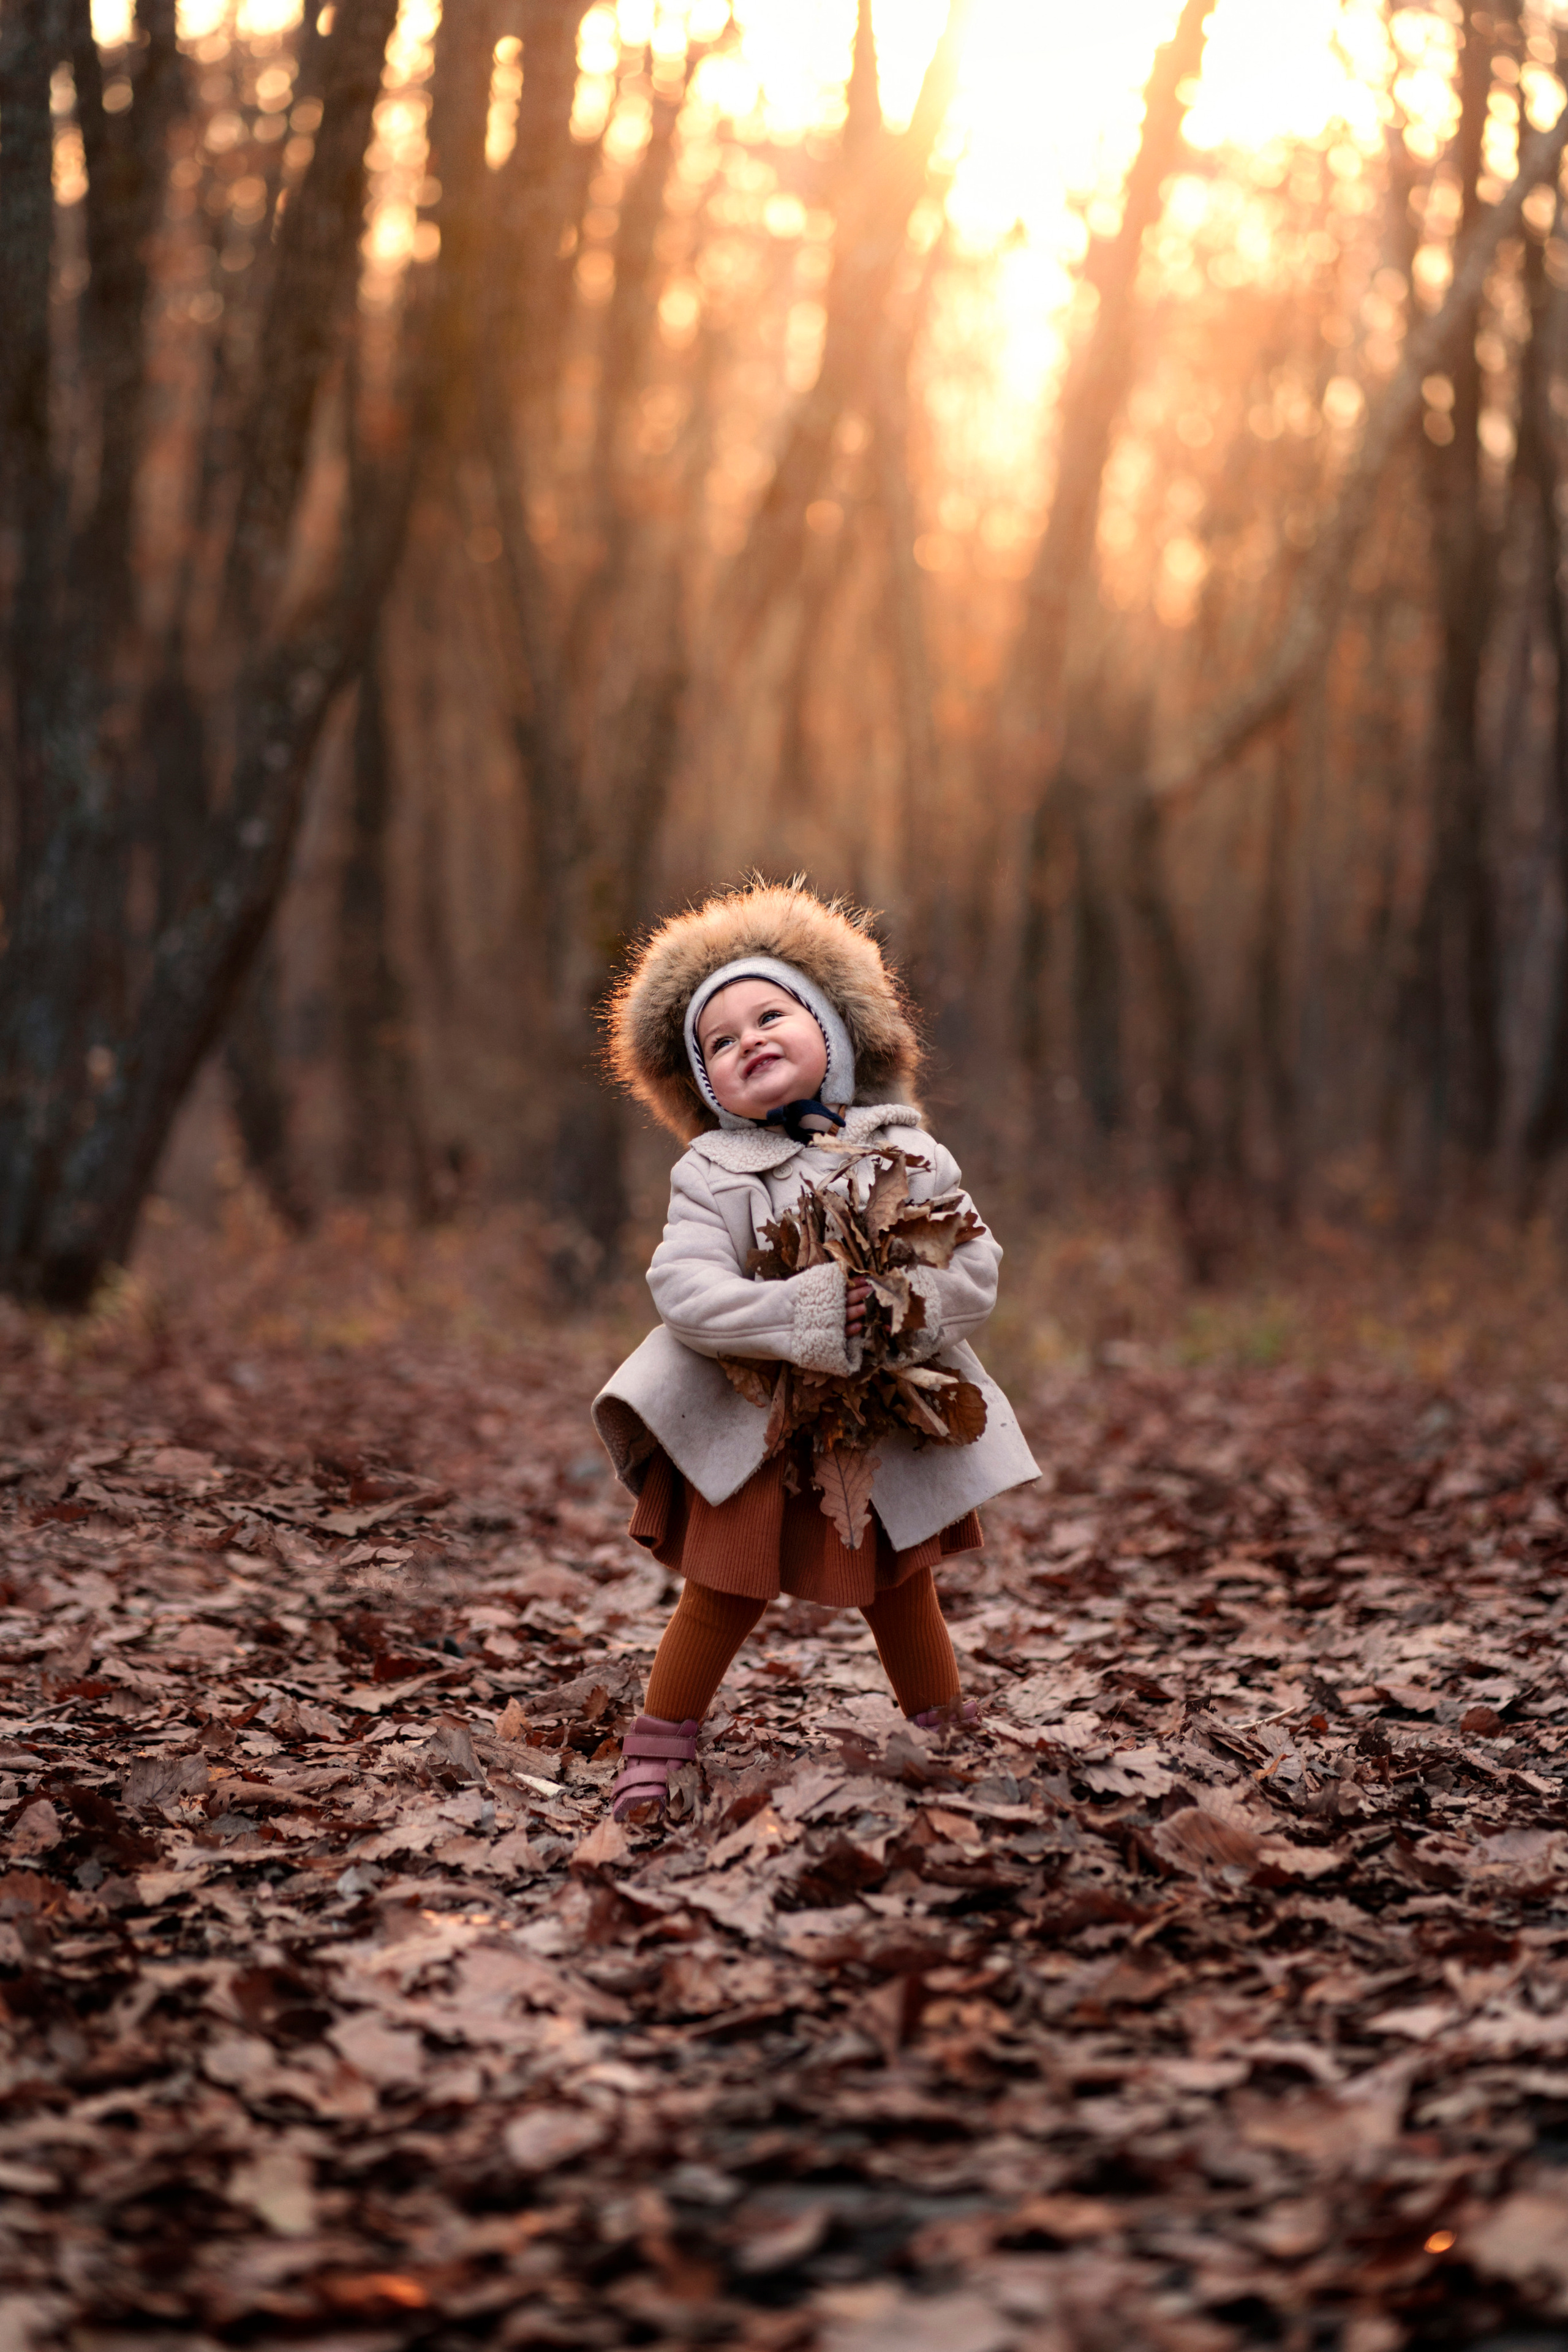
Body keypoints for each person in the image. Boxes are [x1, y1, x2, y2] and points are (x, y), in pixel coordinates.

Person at [592, 878, 1039, 1819]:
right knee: (722, 1590)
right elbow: (683, 1289)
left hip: (878, 1413)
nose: (748, 1039)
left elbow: (973, 1263)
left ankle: (940, 1731)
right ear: (704, 1082)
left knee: (899, 1584)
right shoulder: (711, 1171)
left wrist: (901, 1310)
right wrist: (799, 1313)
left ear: (831, 1031)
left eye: (771, 1015)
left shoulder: (908, 1156)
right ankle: (658, 1746)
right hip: (757, 1419)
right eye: (719, 1040)